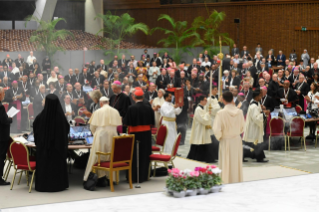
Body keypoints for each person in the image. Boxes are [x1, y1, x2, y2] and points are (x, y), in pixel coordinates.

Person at [33, 94, 69, 192]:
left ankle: (43, 185)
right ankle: (59, 185)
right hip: (58, 151)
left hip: (44, 151)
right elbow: (66, 131)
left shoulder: (40, 118)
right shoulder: (62, 119)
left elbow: (35, 133)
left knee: (45, 167)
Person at [83, 96, 122, 186]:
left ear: (100, 103)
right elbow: (118, 126)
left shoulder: (98, 111)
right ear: (108, 102)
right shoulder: (115, 111)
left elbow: (92, 127)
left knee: (97, 157)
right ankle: (111, 179)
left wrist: (95, 134)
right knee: (111, 156)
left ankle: (99, 177)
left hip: (100, 136)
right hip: (113, 135)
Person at [213, 91, 245, 184]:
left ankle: (225, 181)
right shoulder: (240, 112)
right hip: (236, 140)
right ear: (232, 99)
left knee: (226, 162)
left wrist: (221, 137)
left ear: (223, 100)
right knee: (236, 162)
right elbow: (242, 127)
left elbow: (216, 129)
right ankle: (236, 181)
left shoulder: (220, 113)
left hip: (226, 140)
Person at [123, 89, 154, 183]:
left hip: (135, 135)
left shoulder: (131, 108)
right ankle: (144, 176)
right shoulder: (149, 108)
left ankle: (134, 177)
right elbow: (152, 123)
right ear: (143, 97)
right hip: (147, 135)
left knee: (135, 156)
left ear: (133, 97)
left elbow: (126, 123)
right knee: (145, 155)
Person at [243, 89, 269, 162]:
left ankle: (244, 156)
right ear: (257, 97)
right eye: (260, 95)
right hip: (253, 127)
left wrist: (262, 111)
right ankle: (259, 158)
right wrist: (264, 114)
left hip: (254, 127)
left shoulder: (255, 103)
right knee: (254, 142)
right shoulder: (254, 106)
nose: (261, 97)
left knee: (252, 142)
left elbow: (258, 112)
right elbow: (256, 118)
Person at [187, 96, 214, 162]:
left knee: (204, 142)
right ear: (201, 101)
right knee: (199, 142)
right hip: (199, 129)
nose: (206, 101)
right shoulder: (198, 109)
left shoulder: (203, 108)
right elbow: (203, 119)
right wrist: (208, 114)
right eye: (205, 100)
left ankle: (205, 158)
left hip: (203, 128)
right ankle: (197, 157)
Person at [0, 87, 12, 185]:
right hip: (2, 136)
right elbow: (3, 121)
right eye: (3, 93)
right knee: (1, 157)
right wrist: (10, 119)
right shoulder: (1, 107)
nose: (4, 95)